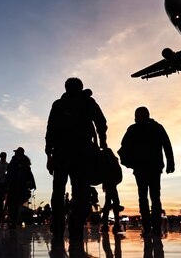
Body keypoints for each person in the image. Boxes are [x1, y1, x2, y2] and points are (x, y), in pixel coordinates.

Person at [45, 77, 107, 241]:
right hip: (80, 154)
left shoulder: (59, 104)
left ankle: (59, 226)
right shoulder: (86, 102)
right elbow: (101, 122)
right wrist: (103, 141)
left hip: (63, 154)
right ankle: (75, 225)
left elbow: (50, 130)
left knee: (59, 191)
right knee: (80, 192)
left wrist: (49, 154)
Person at [118, 106, 174, 236]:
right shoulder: (157, 127)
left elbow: (123, 148)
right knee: (155, 197)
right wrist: (170, 162)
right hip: (154, 167)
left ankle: (148, 228)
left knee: (143, 197)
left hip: (142, 167)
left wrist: (128, 162)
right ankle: (155, 228)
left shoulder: (133, 129)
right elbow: (167, 145)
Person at [5, 147, 36, 228]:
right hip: (19, 186)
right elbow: (29, 174)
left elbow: (9, 173)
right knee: (15, 204)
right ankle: (13, 221)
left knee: (13, 204)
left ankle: (13, 221)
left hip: (15, 186)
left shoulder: (15, 162)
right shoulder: (24, 162)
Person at [100, 147, 124, 234]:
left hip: (110, 185)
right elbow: (119, 175)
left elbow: (104, 174)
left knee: (108, 204)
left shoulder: (106, 163)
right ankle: (115, 224)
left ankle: (106, 225)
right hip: (112, 185)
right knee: (115, 203)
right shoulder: (114, 162)